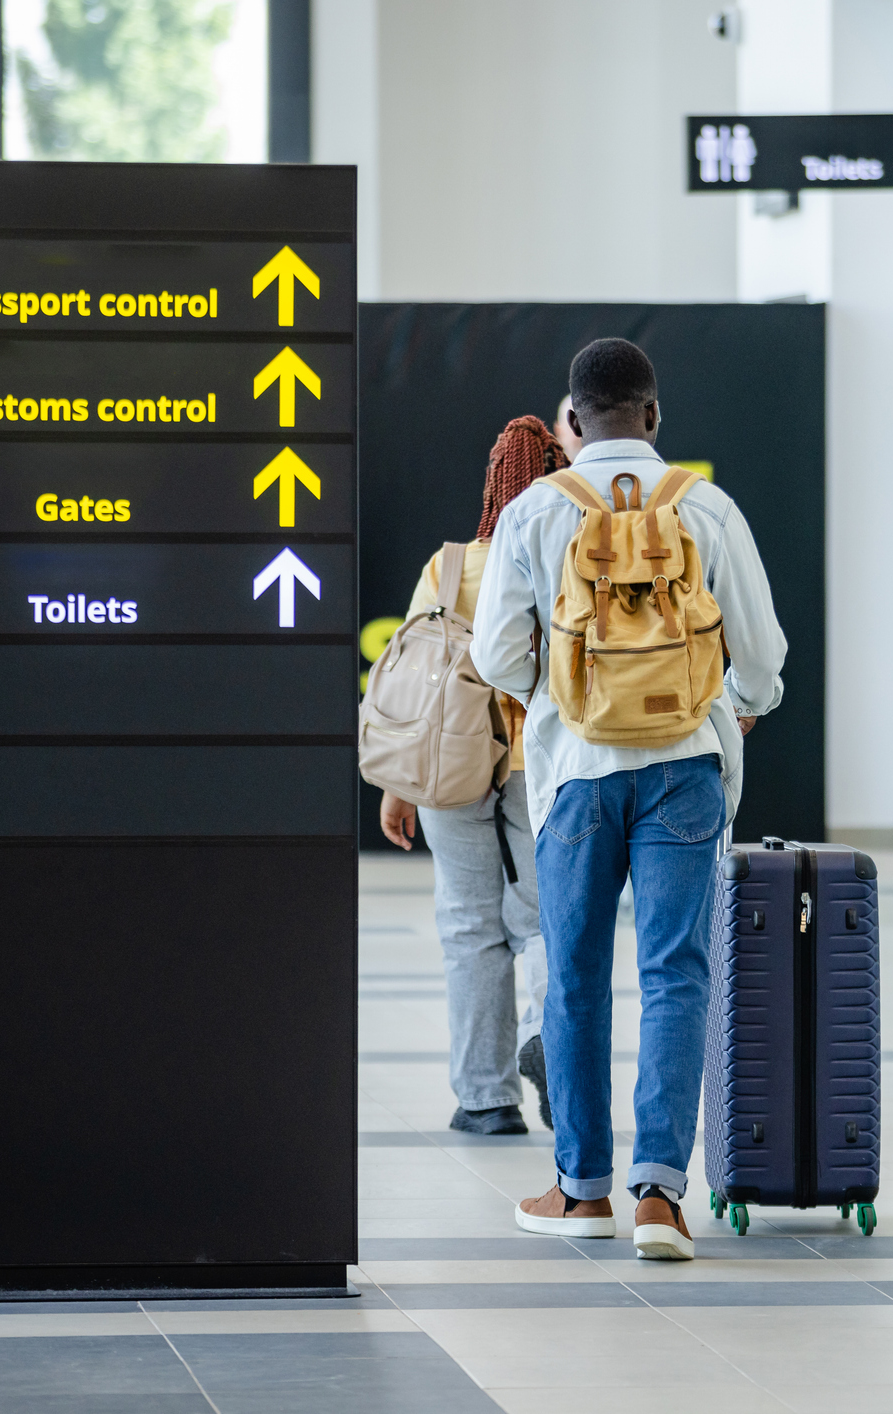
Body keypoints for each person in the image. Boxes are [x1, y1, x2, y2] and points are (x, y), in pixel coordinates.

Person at [472, 338, 787, 1260]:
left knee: (572, 977)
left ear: (571, 422)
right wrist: (738, 707)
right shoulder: (707, 506)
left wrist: (562, 697)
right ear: (652, 416)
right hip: (685, 767)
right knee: (675, 975)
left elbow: (493, 655)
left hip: (574, 777)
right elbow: (762, 653)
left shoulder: (536, 509)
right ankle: (659, 1197)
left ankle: (581, 1192)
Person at [378, 415, 567, 1135]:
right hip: (542, 763)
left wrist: (400, 783)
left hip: (452, 763)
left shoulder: (449, 565)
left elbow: (414, 682)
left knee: (468, 923)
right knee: (551, 915)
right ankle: (547, 1038)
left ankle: (486, 1100)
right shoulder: (571, 548)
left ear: (491, 482)